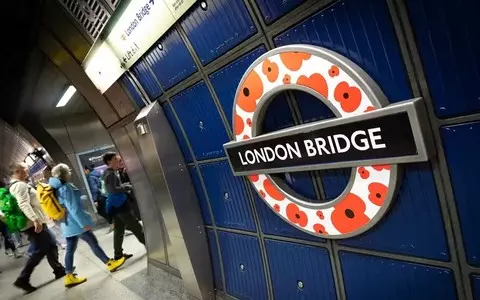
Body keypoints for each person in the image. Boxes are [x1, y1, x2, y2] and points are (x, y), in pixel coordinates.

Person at [49, 163, 126, 288]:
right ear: (63, 174)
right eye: (68, 171)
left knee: (70, 249)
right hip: (76, 223)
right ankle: (109, 263)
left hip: (67, 223)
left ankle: (68, 276)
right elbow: (73, 208)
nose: (70, 173)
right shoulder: (65, 187)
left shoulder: (57, 187)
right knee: (93, 242)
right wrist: (83, 224)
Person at [8, 162, 65, 294]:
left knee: (50, 244)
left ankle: (59, 270)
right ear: (18, 171)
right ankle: (23, 279)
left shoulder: (18, 185)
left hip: (34, 222)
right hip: (32, 223)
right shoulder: (20, 185)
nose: (27, 172)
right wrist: (35, 220)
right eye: (25, 170)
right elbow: (23, 203)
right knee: (42, 249)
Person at [102, 152, 145, 261]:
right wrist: (127, 187)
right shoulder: (110, 174)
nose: (118, 160)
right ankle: (151, 245)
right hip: (120, 205)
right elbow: (113, 190)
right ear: (109, 161)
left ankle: (118, 255)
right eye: (115, 159)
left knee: (119, 230)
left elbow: (114, 187)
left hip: (114, 206)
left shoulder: (108, 172)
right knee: (136, 226)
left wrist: (124, 185)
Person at [84, 165, 113, 234]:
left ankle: (113, 224)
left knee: (101, 211)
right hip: (105, 195)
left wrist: (95, 200)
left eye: (84, 170)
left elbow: (94, 189)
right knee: (106, 210)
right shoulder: (97, 174)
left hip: (99, 197)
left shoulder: (91, 177)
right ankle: (113, 224)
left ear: (87, 170)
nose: (84, 172)